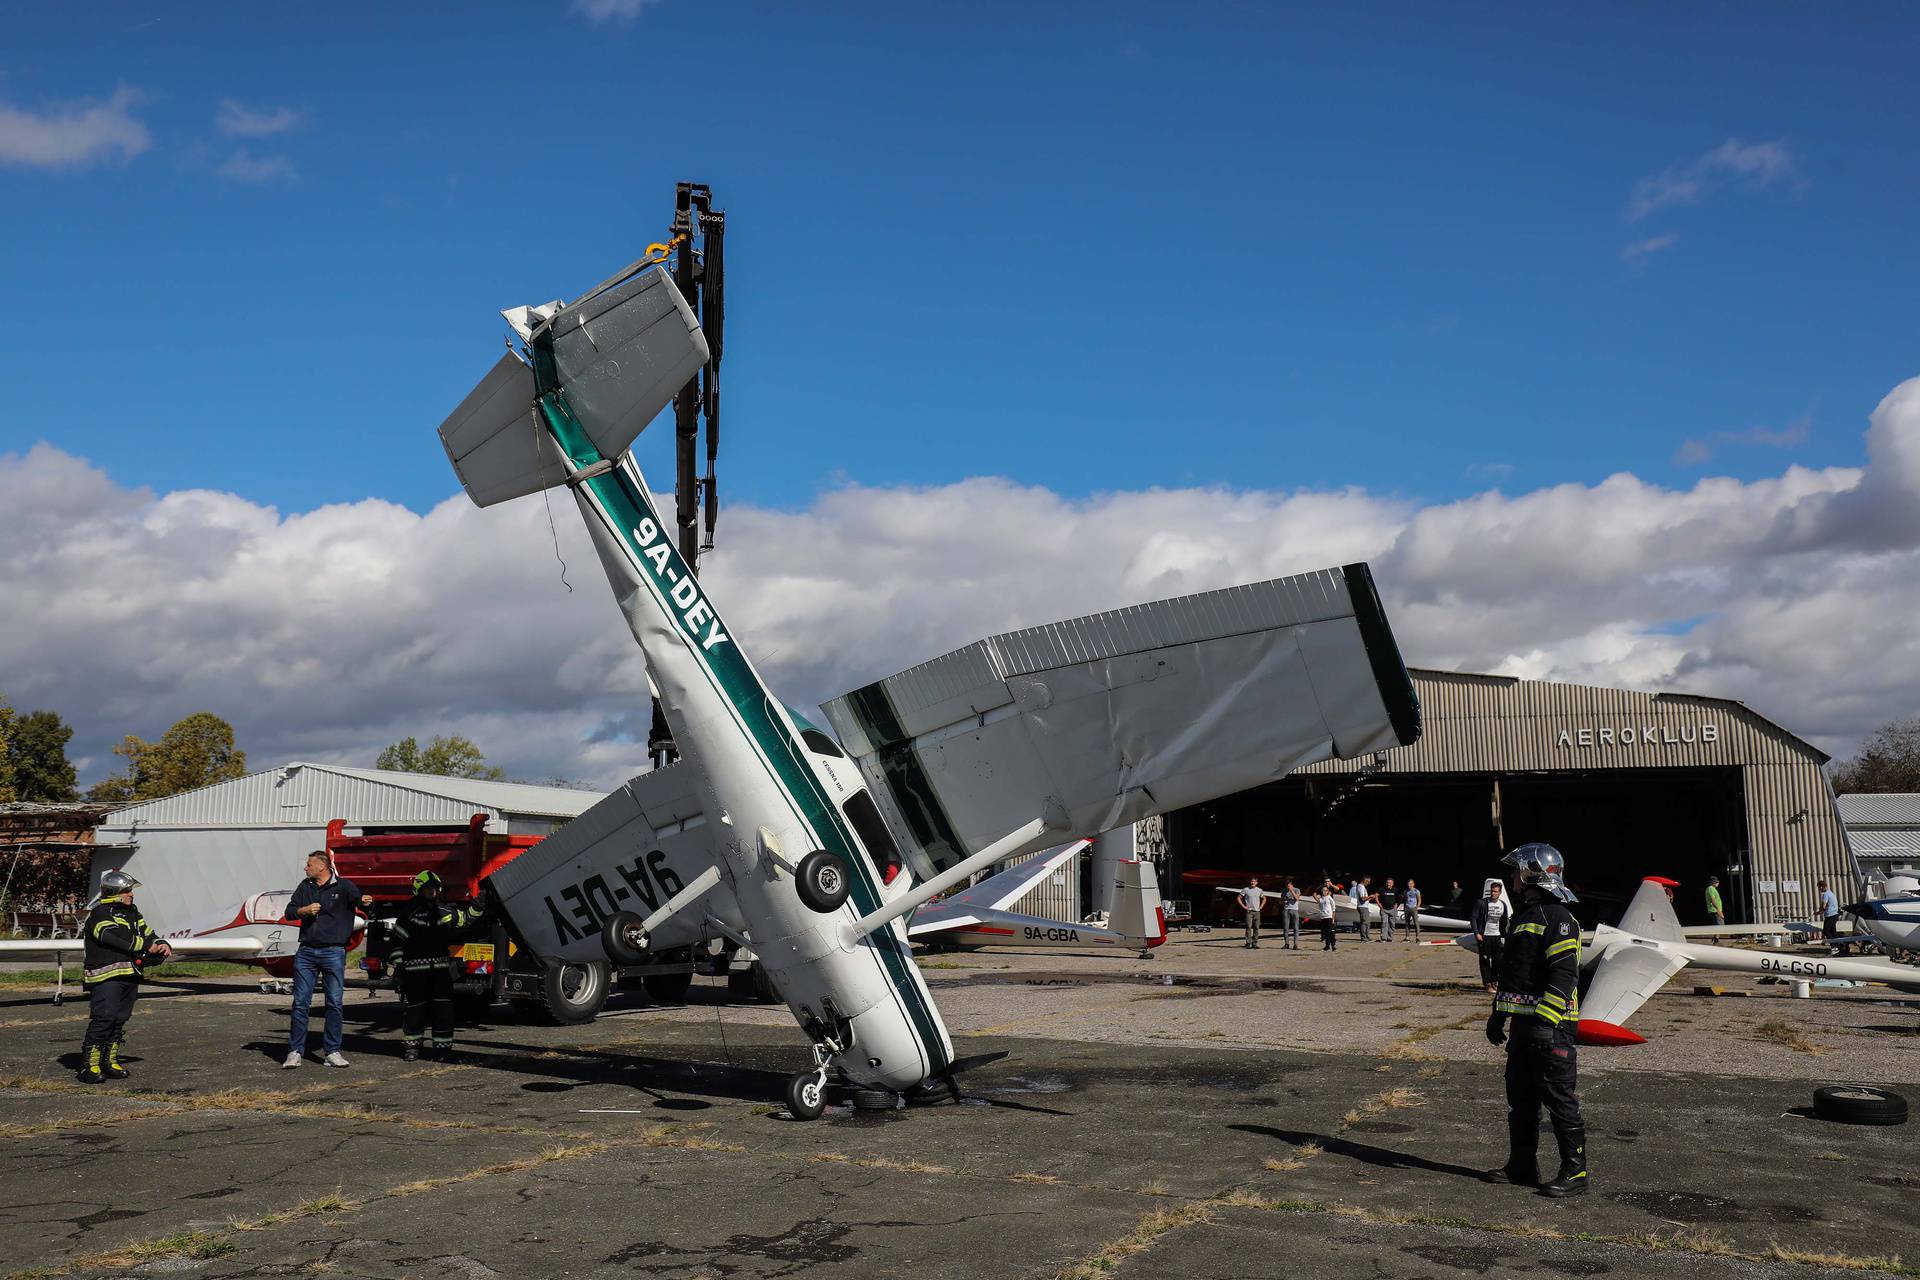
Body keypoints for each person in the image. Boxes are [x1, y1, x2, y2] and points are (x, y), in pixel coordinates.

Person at [1484, 843, 1588, 1197]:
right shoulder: (1524, 916)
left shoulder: (1559, 918)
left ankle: (1575, 1173)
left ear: (1532, 872)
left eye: (1516, 871)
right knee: (1521, 1099)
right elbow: (1515, 975)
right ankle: (1522, 1166)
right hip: (1523, 1028)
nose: (1511, 877)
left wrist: (1545, 1022)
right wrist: (1498, 1015)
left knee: (1560, 1099)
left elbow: (1563, 976)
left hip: (1552, 1028)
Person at [77, 869, 171, 1083]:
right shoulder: (100, 913)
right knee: (104, 1019)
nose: (132, 894)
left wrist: (161, 943)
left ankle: (109, 1061)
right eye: (128, 890)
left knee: (119, 1020)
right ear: (115, 892)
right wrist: (146, 945)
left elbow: (147, 932)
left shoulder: (133, 912)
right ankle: (88, 1066)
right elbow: (113, 937)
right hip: (105, 977)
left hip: (129, 974)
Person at [388, 871, 487, 1061]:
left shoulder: (445, 912)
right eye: (428, 889)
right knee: (415, 1011)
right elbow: (396, 943)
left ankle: (442, 1049)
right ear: (419, 890)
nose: (432, 892)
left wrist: (480, 903)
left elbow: (466, 919)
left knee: (444, 1011)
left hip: (441, 972)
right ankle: (412, 1047)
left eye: (434, 889)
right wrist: (399, 967)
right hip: (415, 972)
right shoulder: (408, 915)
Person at [283, 850, 364, 1069]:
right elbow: (289, 912)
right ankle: (295, 1051)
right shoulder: (305, 886)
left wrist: (367, 900)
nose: (305, 868)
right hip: (306, 952)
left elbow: (362, 901)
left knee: (334, 1003)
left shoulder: (344, 886)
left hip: (334, 952)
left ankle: (332, 1052)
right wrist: (304, 910)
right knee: (300, 1002)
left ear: (322, 866)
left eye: (309, 865)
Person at [1472, 880, 1510, 991]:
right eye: (1492, 891)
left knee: (1497, 961)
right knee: (1485, 960)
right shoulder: (1482, 903)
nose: (1493, 893)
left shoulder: (1502, 905)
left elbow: (1504, 921)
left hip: (1496, 936)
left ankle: (1495, 981)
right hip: (1485, 936)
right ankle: (1487, 983)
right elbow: (1473, 917)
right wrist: (1477, 933)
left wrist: (1504, 935)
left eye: (1496, 891)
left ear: (1500, 892)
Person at [1818, 881, 1840, 950]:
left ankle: (1834, 946)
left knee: (1826, 931)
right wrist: (1820, 911)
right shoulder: (1831, 893)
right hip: (1835, 915)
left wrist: (1820, 912)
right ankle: (1839, 945)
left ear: (1822, 886)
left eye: (1819, 887)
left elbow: (1824, 906)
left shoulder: (1826, 894)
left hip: (1830, 916)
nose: (1819, 889)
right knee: (1833, 932)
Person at [1280, 880, 1301, 949]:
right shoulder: (1284, 891)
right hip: (1286, 909)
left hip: (1294, 910)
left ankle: (1295, 945)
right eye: (1287, 886)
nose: (1288, 887)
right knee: (1286, 928)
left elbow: (1297, 898)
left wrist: (1291, 891)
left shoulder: (1297, 890)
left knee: (1296, 928)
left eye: (1289, 886)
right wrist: (1283, 901)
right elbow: (1281, 901)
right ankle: (1286, 944)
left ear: (1292, 885)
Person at [1315, 884, 1337, 951]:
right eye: (1323, 890)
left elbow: (1333, 909)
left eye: (1325, 890)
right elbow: (1318, 903)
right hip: (1323, 917)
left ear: (1328, 891)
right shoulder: (1321, 899)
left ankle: (1333, 945)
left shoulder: (1330, 898)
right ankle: (1327, 946)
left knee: (1331, 932)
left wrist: (1333, 919)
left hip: (1329, 917)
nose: (1324, 892)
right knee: (1325, 933)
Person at [1354, 876, 1374, 942]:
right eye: (1368, 881)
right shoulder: (1361, 887)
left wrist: (1369, 898)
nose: (1369, 883)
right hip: (1362, 906)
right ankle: (1364, 938)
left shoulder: (1361, 887)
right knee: (1365, 922)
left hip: (1364, 906)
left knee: (1366, 922)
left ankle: (1366, 937)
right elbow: (1362, 898)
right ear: (1364, 880)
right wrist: (1370, 896)